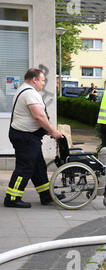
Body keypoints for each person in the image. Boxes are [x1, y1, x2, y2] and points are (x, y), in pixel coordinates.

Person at [4, 68, 63, 208]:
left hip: (28, 136)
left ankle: (46, 196)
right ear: (34, 80)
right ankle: (12, 198)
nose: (43, 84)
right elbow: (39, 116)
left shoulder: (26, 90)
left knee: (38, 167)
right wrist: (53, 131)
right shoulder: (29, 93)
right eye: (42, 80)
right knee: (24, 168)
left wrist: (47, 130)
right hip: (25, 137)